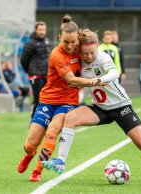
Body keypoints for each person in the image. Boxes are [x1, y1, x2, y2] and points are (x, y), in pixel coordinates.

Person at [42, 29, 141, 183]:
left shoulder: (103, 57)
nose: (89, 56)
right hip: (100, 108)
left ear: (97, 46)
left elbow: (114, 73)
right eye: (85, 53)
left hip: (121, 107)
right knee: (70, 118)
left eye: (92, 52)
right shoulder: (79, 59)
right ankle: (60, 162)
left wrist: (98, 80)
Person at [17, 15, 104, 182]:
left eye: (73, 42)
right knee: (30, 144)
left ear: (77, 37)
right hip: (48, 100)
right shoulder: (56, 54)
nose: (71, 46)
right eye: (66, 42)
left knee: (53, 131)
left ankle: (37, 171)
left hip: (68, 102)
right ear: (59, 38)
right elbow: (71, 79)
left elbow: (94, 55)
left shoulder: (81, 49)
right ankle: (30, 155)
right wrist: (94, 82)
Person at [20, 21, 50, 118]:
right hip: (35, 75)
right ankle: (33, 119)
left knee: (46, 97)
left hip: (46, 74)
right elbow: (23, 60)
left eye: (43, 30)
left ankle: (43, 118)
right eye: (40, 30)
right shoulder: (30, 43)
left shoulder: (46, 41)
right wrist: (30, 71)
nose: (42, 32)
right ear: (36, 30)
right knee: (37, 98)